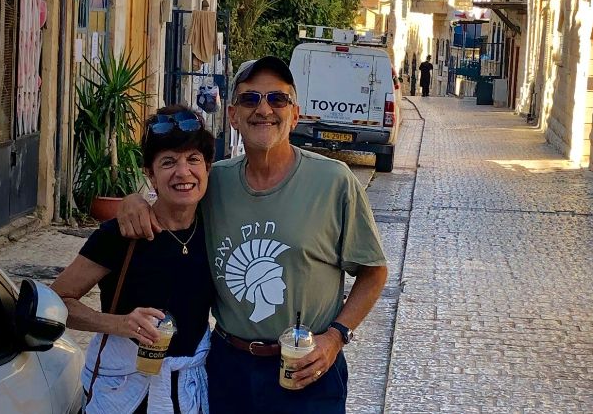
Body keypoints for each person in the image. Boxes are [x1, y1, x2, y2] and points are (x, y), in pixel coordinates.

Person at [117, 56, 388, 413]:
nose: (264, 109)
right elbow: (171, 195)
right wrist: (134, 199)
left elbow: (374, 271)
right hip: (230, 368)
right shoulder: (216, 182)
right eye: (250, 99)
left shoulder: (334, 182)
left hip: (308, 369)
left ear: (295, 114)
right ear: (233, 115)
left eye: (278, 99)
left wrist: (336, 337)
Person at [51, 105, 216, 413]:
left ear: (208, 167)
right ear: (150, 175)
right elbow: (58, 299)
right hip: (123, 395)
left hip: (188, 394)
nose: (183, 172)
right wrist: (119, 324)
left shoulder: (215, 230)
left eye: (193, 159)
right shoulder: (122, 234)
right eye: (168, 162)